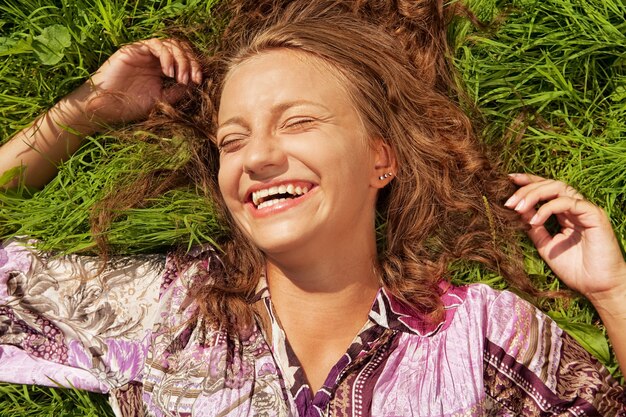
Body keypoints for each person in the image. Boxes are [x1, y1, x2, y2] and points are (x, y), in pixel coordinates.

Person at [1, 1, 625, 416]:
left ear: (382, 159)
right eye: (233, 141)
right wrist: (86, 110)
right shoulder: (163, 312)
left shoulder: (479, 336)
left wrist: (614, 294)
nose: (258, 158)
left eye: (297, 122)